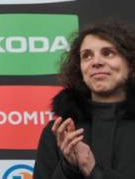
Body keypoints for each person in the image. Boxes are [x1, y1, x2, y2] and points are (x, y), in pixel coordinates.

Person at [35, 20, 135, 179]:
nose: (96, 62)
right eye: (87, 56)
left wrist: (93, 170)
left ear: (130, 64)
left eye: (108, 53)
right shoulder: (59, 132)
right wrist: (68, 167)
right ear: (80, 69)